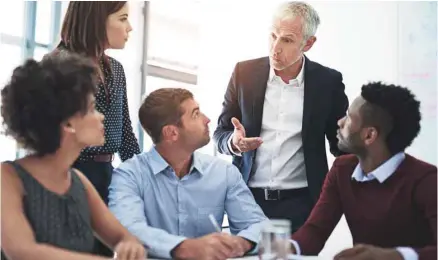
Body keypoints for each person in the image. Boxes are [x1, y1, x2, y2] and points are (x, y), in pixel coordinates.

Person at [213, 1, 349, 232]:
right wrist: (233, 143)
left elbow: (341, 145)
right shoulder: (243, 73)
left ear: (308, 43)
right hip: (246, 200)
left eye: (286, 40)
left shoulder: (328, 83)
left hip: (303, 204)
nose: (275, 48)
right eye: (273, 36)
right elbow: (220, 135)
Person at [0, 53, 146, 260]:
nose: (101, 117)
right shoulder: (7, 177)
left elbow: (124, 238)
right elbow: (22, 251)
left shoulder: (79, 182)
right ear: (68, 124)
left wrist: (130, 246)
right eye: (92, 109)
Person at [108, 88, 268, 260]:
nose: (207, 120)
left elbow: (259, 225)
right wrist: (185, 248)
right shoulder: (129, 175)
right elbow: (127, 229)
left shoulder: (224, 172)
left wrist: (242, 243)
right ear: (172, 132)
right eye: (195, 114)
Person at [290, 82, 436, 260]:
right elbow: (316, 230)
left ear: (369, 135)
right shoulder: (341, 170)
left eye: (349, 118)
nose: (340, 122)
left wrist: (395, 256)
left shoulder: (427, 180)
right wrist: (288, 247)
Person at [54, 2, 141, 256]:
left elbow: (125, 134)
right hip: (69, 174)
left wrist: (146, 179)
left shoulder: (116, 69)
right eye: (123, 19)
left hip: (107, 175)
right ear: (97, 19)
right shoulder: (59, 66)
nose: (130, 27)